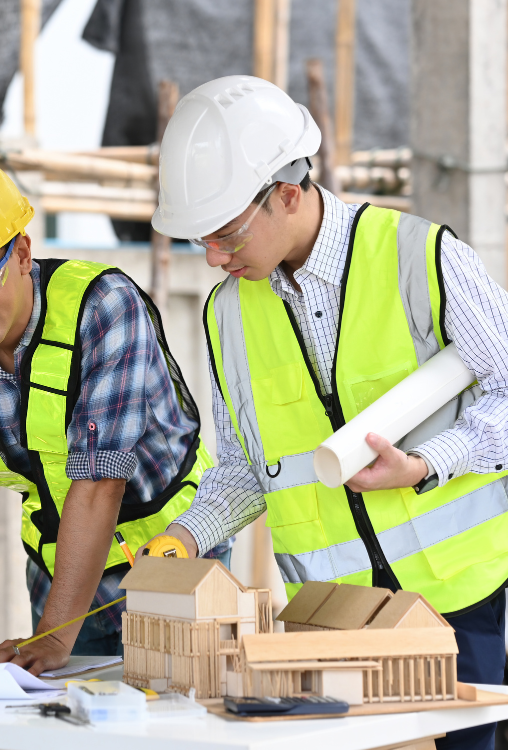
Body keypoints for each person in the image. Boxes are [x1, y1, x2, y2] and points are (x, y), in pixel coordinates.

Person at [149, 75, 508, 750]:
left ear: (287, 192)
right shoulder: (226, 312)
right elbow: (246, 470)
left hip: (465, 606)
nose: (213, 257)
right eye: (202, 240)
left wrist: (430, 463)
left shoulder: (417, 256)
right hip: (333, 622)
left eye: (224, 234)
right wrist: (185, 539)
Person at [0, 146, 228, 674]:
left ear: (21, 252)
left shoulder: (103, 306)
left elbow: (97, 483)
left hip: (170, 562)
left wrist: (54, 634)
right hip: (59, 573)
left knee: (169, 724)